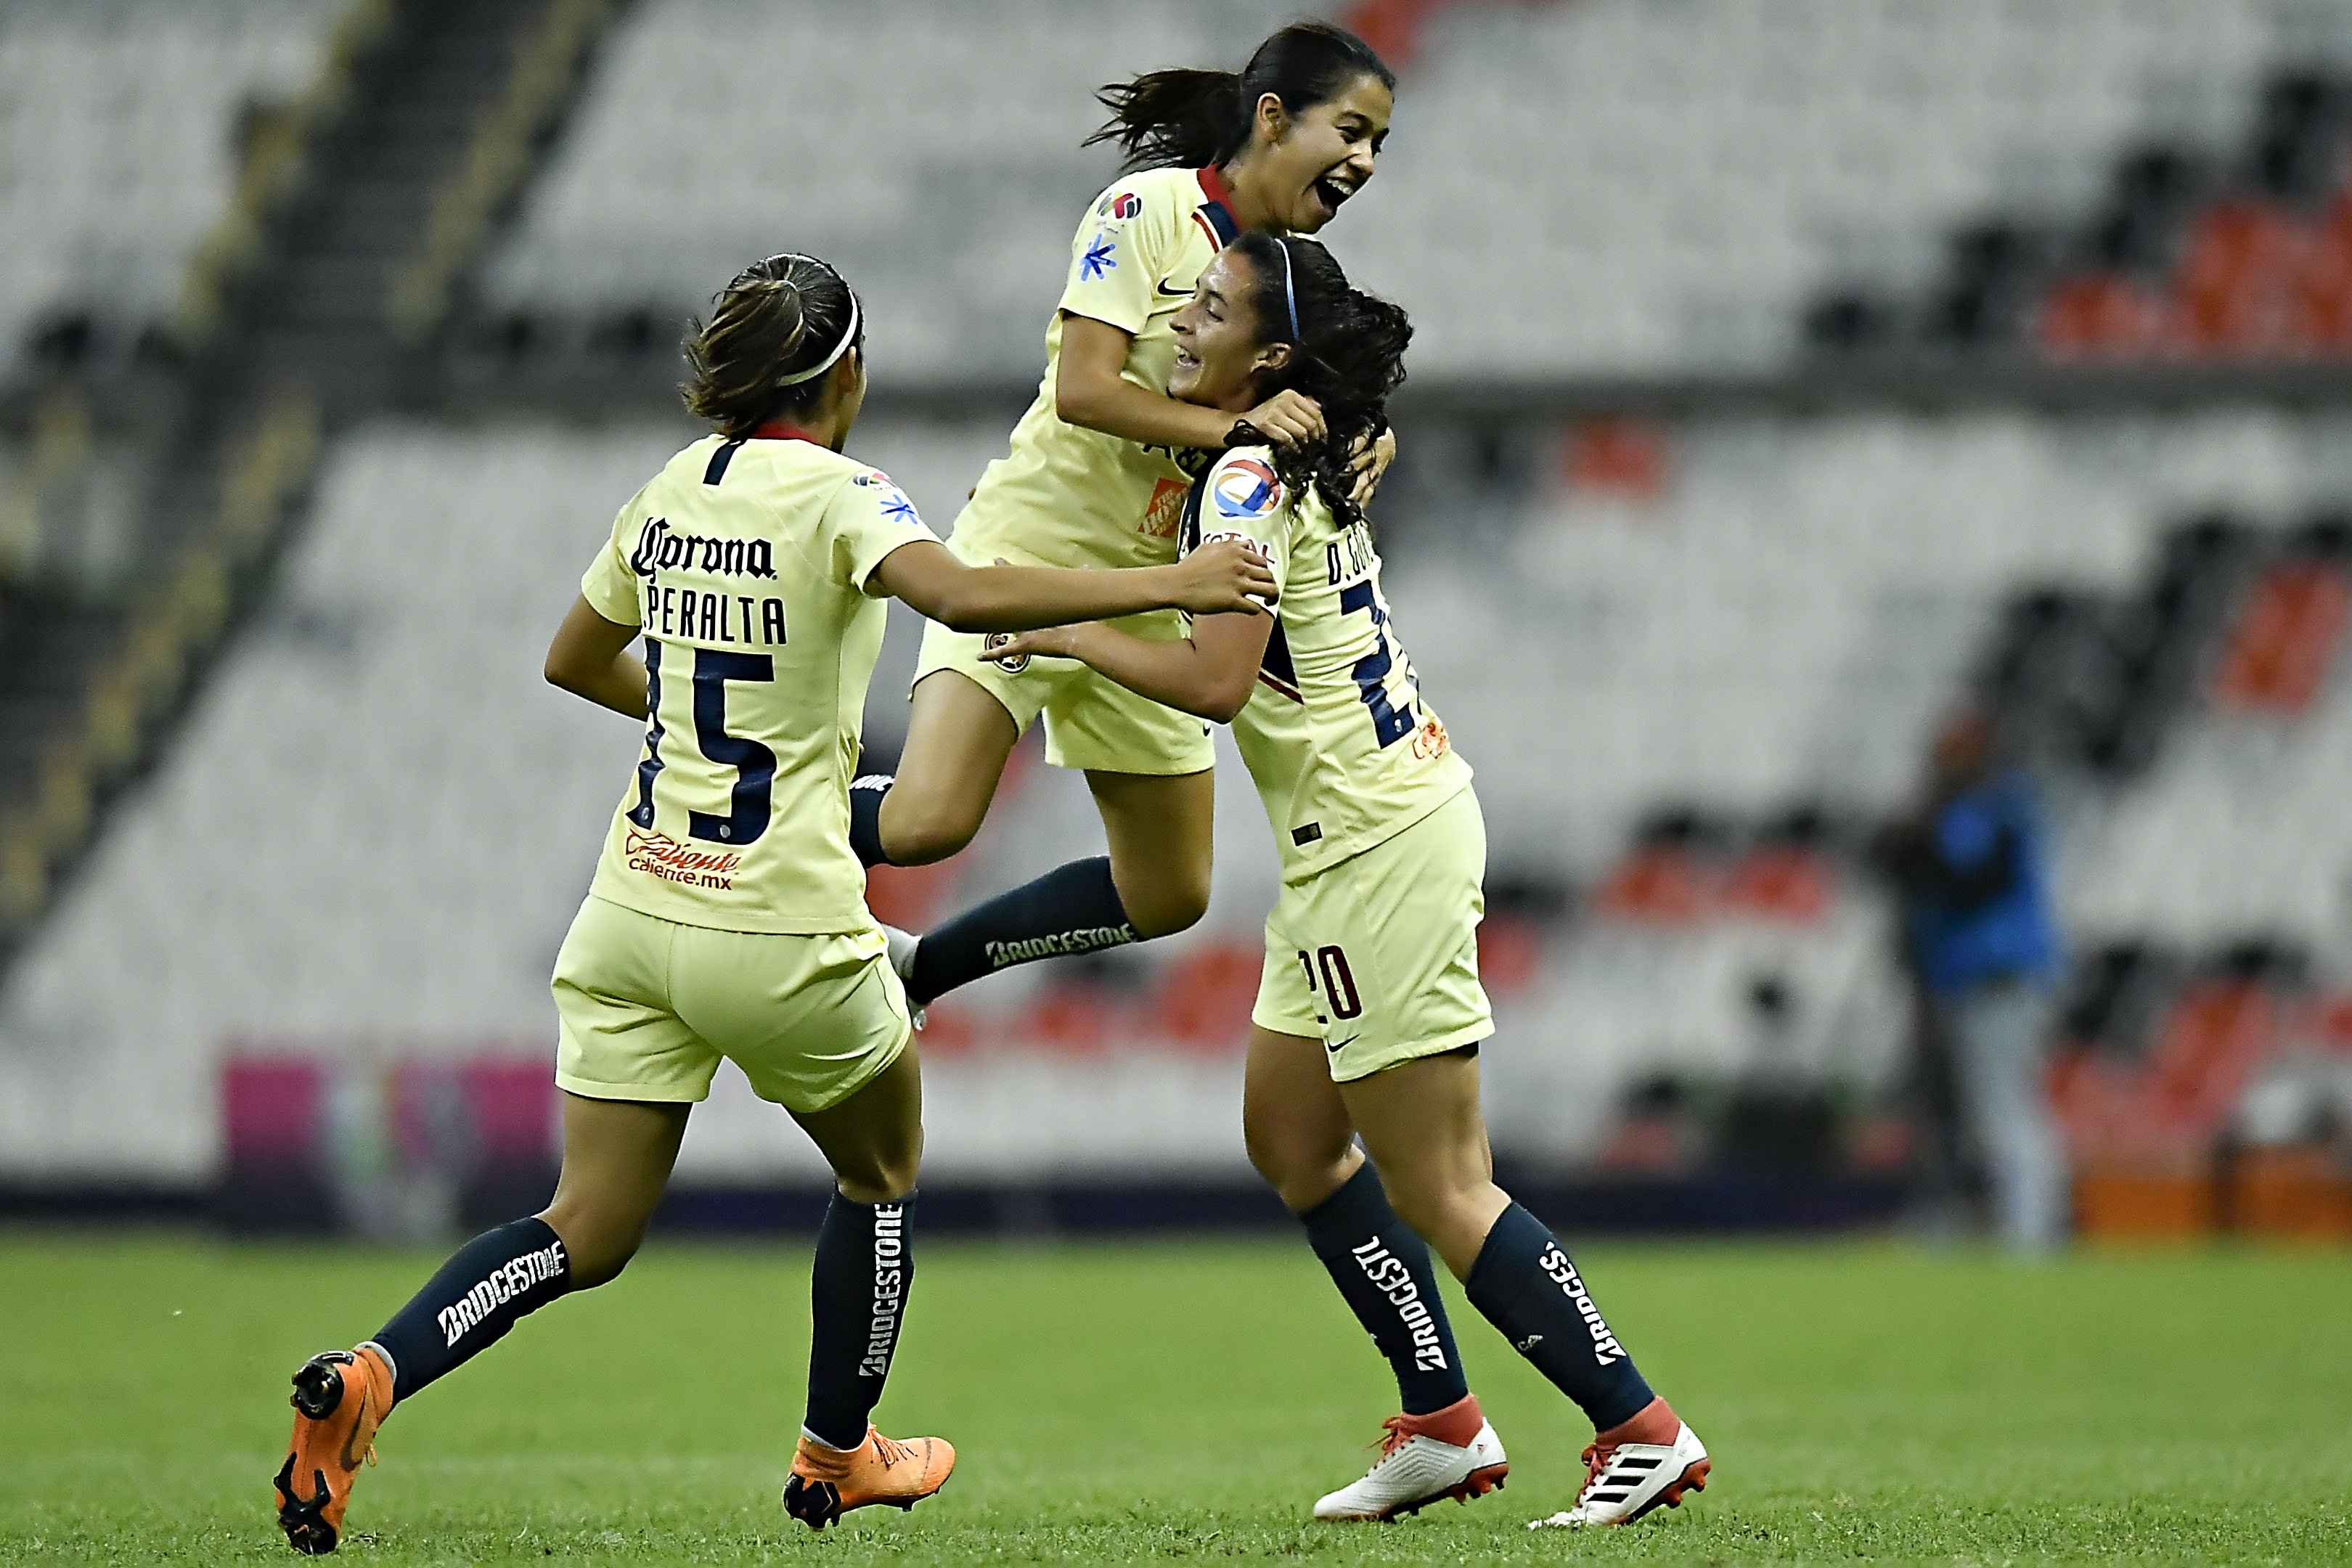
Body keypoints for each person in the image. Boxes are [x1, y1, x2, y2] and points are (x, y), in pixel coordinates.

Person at [269, 253, 1279, 1556]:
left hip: (633, 913)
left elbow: (572, 659)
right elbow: (964, 596)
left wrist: (712, 731)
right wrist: (1172, 583)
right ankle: (840, 1450)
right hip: (783, 927)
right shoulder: (848, 495)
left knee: (579, 1227)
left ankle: (369, 1379)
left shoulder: (667, 491)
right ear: (844, 375)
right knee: (881, 1170)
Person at [984, 235, 1712, 1529]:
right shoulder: (1288, 447)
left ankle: (1639, 1428)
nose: (1178, 316)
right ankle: (1440, 1418)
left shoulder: (1250, 479)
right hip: (1353, 841)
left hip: (1380, 844)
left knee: (1442, 1182)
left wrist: (1072, 628)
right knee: (1293, 1136)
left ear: (1269, 358)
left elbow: (1216, 683)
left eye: (1206, 306)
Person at [849, 21, 1399, 1015]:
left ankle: (920, 968)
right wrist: (1233, 423)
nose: (1363, 160)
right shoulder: (1146, 211)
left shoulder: (1286, 271)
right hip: (1033, 551)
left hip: (1157, 592)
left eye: (1378, 145)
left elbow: (1322, 411)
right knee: (929, 821)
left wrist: (1367, 442)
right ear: (1274, 119)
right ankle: (727, 818)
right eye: (1351, 130)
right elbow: (1085, 392)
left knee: (1169, 892)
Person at [1877, 709, 2068, 1251]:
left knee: (2005, 1107)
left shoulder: (1997, 806)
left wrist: (1916, 838)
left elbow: (1964, 870)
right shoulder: (1990, 804)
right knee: (1986, 1109)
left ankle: (2032, 1230)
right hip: (1972, 978)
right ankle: (2011, 1224)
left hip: (1999, 976)